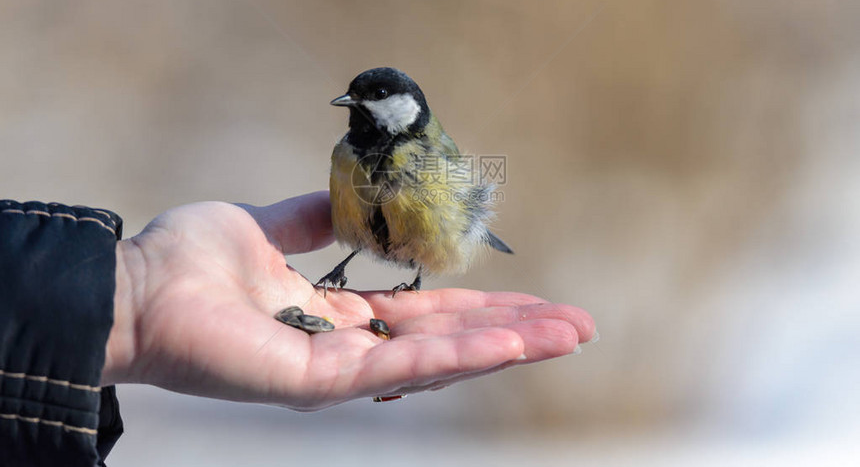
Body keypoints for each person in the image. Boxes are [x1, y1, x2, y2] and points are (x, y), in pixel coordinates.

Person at [0, 192, 595, 466]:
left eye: (371, 100)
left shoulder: (427, 162)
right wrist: (130, 293)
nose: (352, 110)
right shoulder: (350, 157)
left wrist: (124, 293)